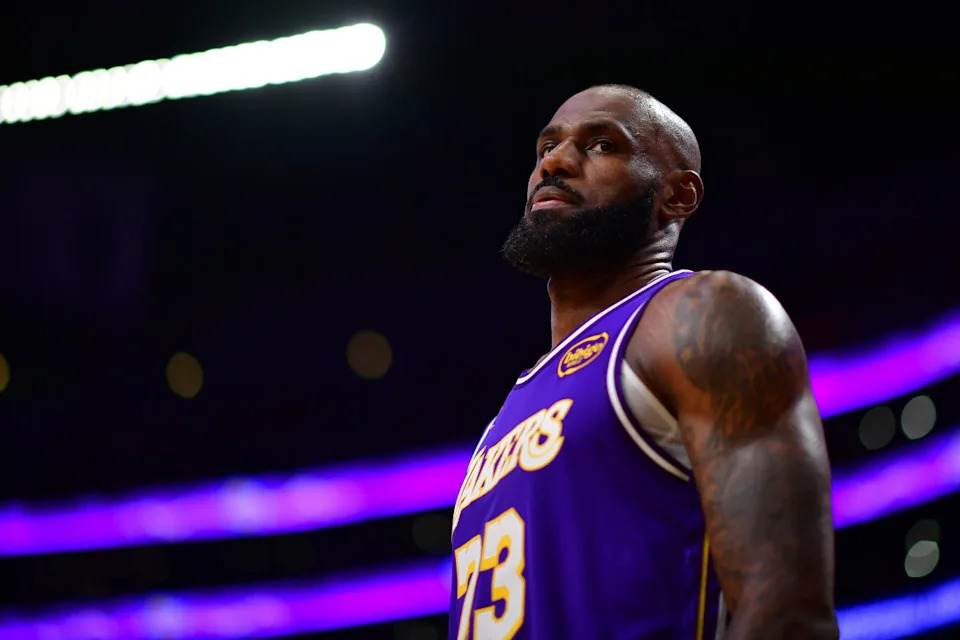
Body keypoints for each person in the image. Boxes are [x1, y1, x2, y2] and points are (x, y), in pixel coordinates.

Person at [449, 85, 838, 639]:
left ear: (677, 195)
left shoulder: (704, 315)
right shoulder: (503, 418)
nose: (555, 162)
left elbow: (788, 614)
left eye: (602, 144)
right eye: (546, 147)